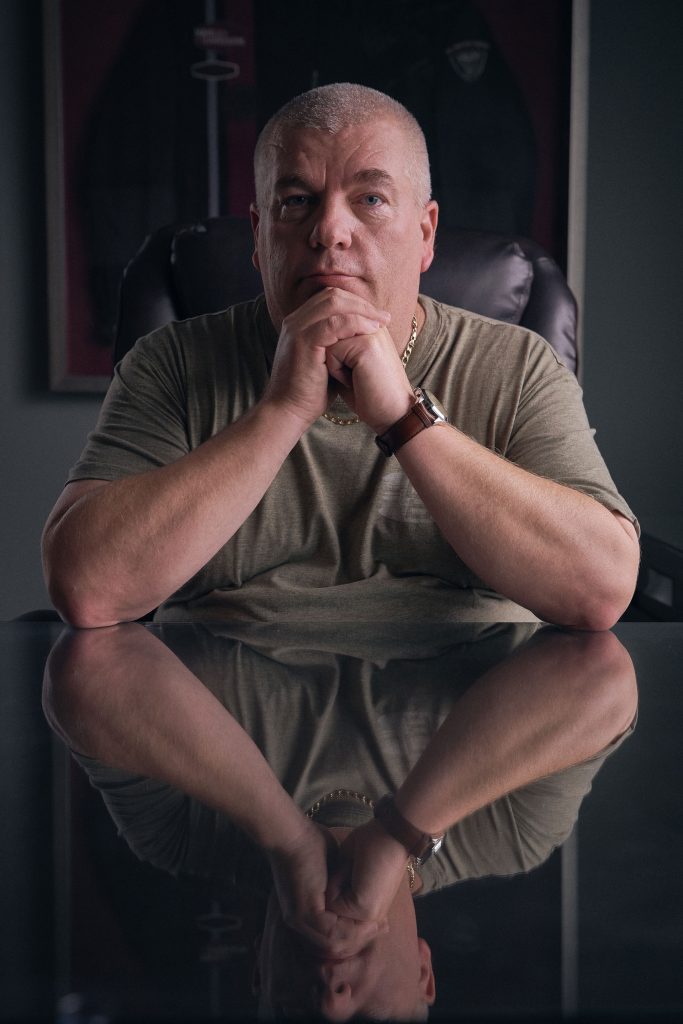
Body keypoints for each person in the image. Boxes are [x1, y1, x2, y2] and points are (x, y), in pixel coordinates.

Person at [42, 83, 640, 629]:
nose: (329, 230)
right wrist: (281, 411)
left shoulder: (518, 364)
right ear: (258, 236)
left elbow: (600, 591)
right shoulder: (170, 361)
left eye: (371, 199)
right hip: (215, 696)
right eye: (296, 200)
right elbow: (85, 589)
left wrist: (404, 418)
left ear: (425, 234)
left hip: (476, 694)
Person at [42, 620, 637, 1019]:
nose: (332, 1002)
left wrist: (284, 835)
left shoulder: (181, 834)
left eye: (298, 1019)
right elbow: (601, 675)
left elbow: (87, 669)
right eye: (371, 1021)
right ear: (425, 975)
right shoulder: (508, 834)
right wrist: (400, 832)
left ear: (260, 970)